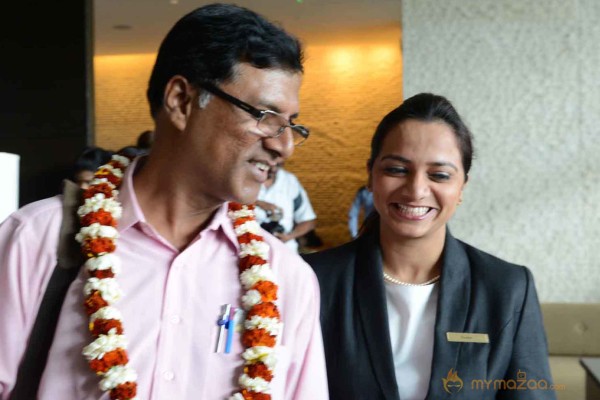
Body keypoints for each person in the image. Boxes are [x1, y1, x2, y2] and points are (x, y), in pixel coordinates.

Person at [0, 4, 328, 400]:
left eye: (292, 125)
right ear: (181, 101)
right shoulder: (36, 239)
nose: (284, 146)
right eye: (264, 115)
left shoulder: (286, 279)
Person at [304, 93, 555, 400]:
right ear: (370, 176)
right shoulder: (314, 280)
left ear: (461, 187)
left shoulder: (506, 288)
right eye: (397, 169)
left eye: (439, 175)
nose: (416, 190)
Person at [255, 162, 317, 253]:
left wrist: (289, 236)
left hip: (285, 252)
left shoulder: (289, 181)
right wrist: (258, 203)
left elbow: (308, 221)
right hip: (252, 250)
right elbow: (229, 205)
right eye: (269, 165)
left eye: (278, 165)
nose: (273, 169)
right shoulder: (244, 178)